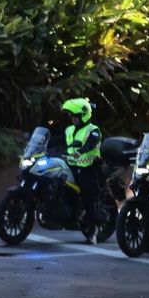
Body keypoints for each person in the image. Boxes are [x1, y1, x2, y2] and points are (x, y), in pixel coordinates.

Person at [60, 97, 104, 244]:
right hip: (71, 165)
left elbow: (91, 144)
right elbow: (58, 140)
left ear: (84, 115)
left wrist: (80, 151)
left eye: (76, 116)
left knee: (87, 197)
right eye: (72, 116)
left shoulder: (94, 130)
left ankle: (93, 231)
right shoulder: (69, 130)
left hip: (88, 168)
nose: (73, 119)